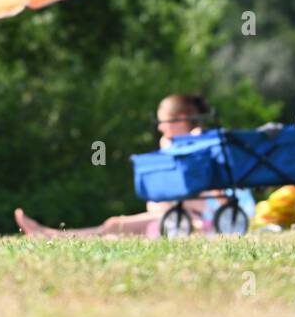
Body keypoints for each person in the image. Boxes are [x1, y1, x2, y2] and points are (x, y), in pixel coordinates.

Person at [14, 93, 215, 238]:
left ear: (180, 119)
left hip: (185, 219)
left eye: (164, 122)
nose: (160, 127)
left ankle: (53, 235)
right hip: (168, 216)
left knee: (114, 226)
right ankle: (52, 234)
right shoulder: (174, 145)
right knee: (114, 228)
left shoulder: (200, 146)